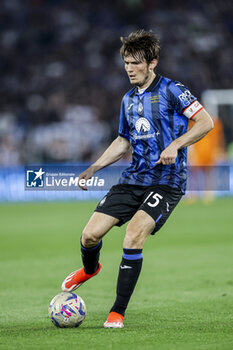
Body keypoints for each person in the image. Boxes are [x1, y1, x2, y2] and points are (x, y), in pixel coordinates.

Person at [61, 30, 213, 328]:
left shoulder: (173, 90)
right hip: (134, 179)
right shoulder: (128, 100)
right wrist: (94, 167)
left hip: (167, 180)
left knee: (133, 235)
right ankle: (90, 270)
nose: (129, 68)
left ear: (152, 62)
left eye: (135, 63)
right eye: (126, 62)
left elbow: (205, 122)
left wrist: (176, 145)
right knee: (89, 235)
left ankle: (117, 311)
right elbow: (123, 141)